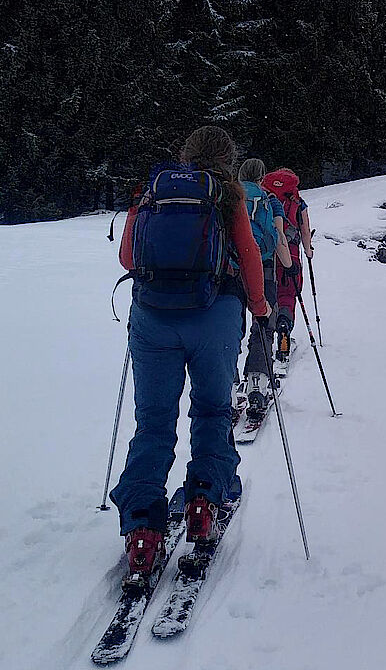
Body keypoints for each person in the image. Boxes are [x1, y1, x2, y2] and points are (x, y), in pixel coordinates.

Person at [111, 126, 270, 579]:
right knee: (213, 410)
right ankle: (204, 502)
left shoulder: (154, 190)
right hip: (214, 317)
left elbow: (127, 258)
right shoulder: (227, 195)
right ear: (228, 156)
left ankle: (143, 528)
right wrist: (258, 308)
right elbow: (250, 255)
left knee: (154, 421)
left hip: (152, 318)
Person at [237, 158, 292, 415]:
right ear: (262, 178)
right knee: (263, 321)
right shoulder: (270, 201)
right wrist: (290, 266)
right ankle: (257, 385)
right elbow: (279, 237)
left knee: (230, 327)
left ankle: (226, 387)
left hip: (230, 267)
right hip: (263, 266)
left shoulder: (228, 197)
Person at [263, 167, 313, 363]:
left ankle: (265, 336)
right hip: (290, 254)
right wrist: (308, 251)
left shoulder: (264, 197)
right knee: (288, 294)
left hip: (266, 254)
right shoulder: (298, 203)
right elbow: (305, 230)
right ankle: (284, 324)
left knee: (268, 293)